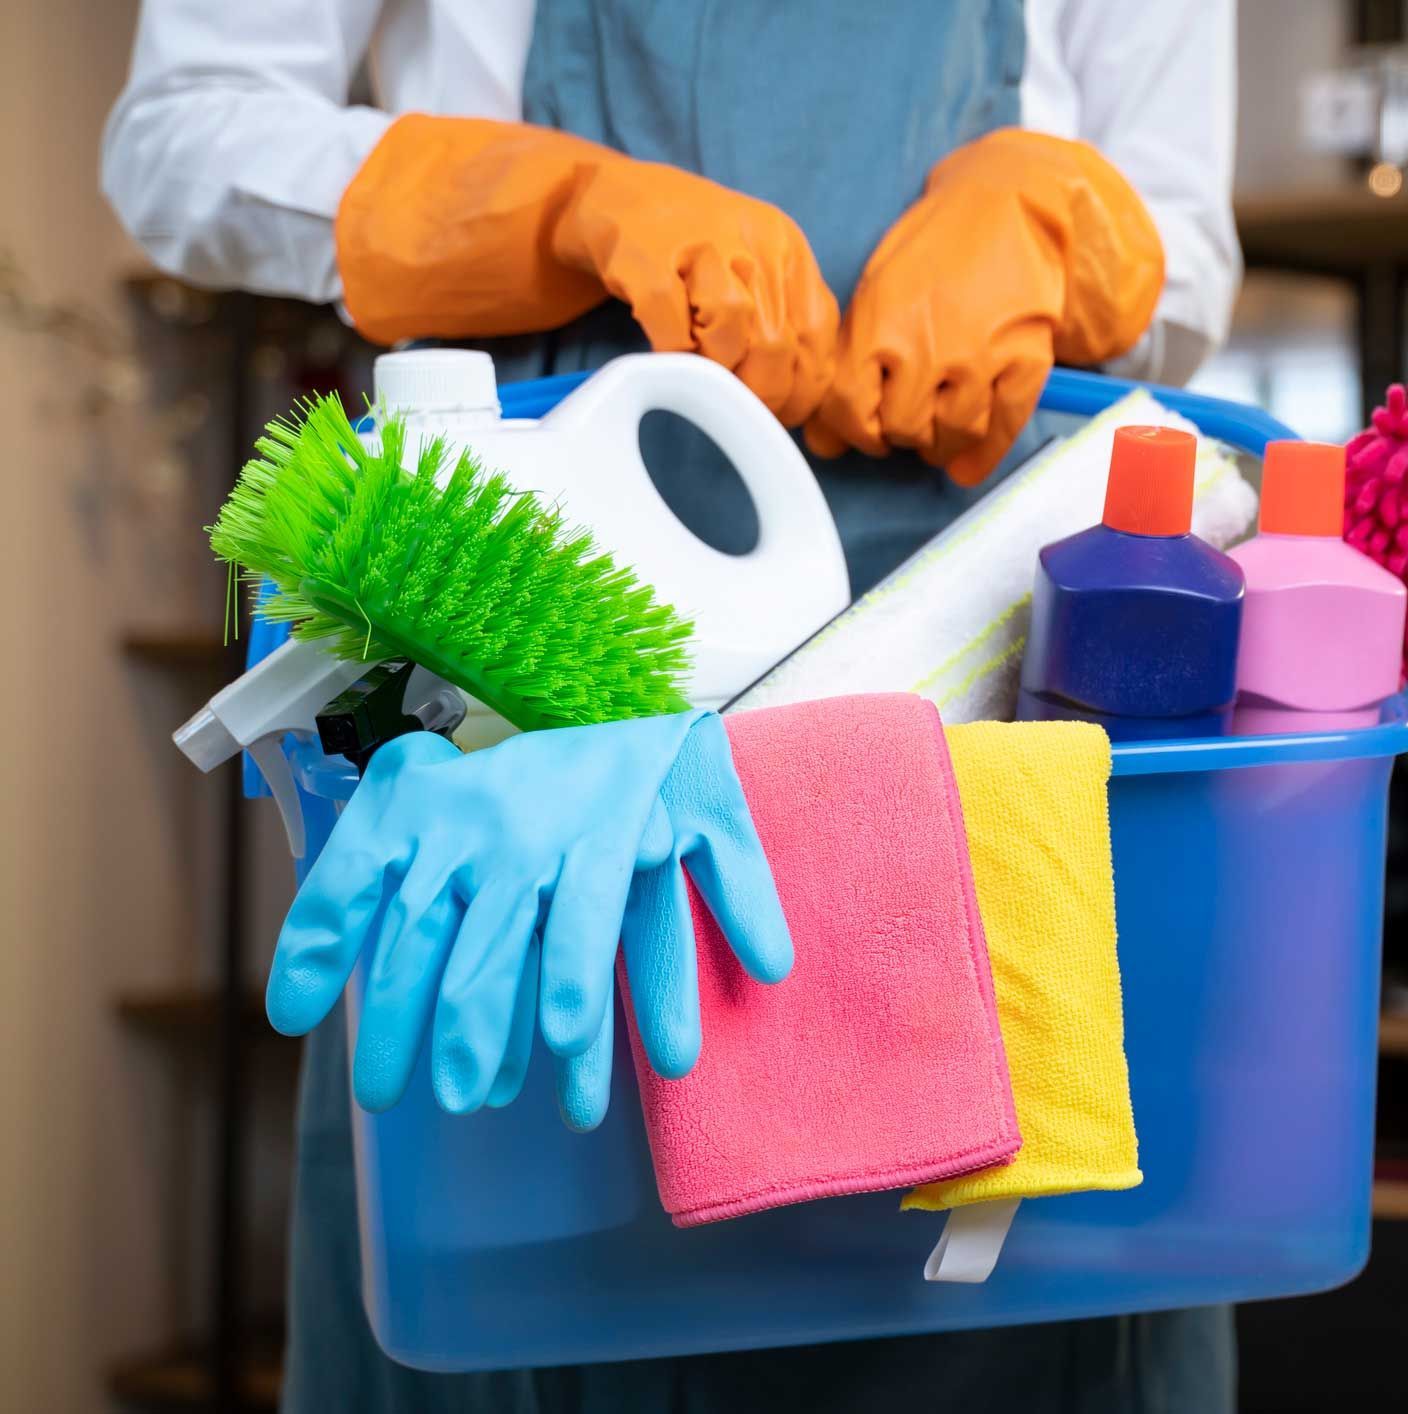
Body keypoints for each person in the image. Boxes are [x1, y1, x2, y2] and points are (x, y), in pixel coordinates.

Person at [102, 3, 1241, 1410]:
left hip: (989, 646)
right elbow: (179, 139)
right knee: (517, 1247)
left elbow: (1189, 234)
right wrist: (553, 205)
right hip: (526, 637)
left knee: (1008, 1263)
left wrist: (1057, 226)